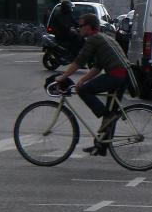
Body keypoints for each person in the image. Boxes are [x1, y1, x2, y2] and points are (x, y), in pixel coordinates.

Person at [55, 12, 128, 156]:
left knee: (84, 91)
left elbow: (79, 61)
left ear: (89, 27)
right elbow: (98, 67)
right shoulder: (103, 37)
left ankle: (107, 117)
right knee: (110, 113)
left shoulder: (93, 39)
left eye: (81, 26)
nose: (79, 28)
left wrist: (63, 77)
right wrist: (82, 79)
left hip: (116, 75)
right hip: (124, 76)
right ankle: (101, 146)